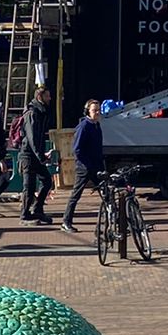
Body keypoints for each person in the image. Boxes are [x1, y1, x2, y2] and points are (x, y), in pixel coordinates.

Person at [59, 98, 106, 234]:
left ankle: (112, 221)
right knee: (76, 194)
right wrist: (87, 165)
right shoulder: (84, 126)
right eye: (94, 110)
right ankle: (66, 222)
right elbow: (77, 149)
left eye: (98, 110)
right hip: (85, 168)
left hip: (97, 166)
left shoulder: (97, 126)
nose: (97, 113)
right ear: (87, 111)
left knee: (106, 193)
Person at [18, 86, 55, 225]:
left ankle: (38, 209)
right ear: (40, 97)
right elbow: (32, 137)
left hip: (35, 154)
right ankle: (25, 215)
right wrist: (40, 155)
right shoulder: (32, 113)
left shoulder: (40, 112)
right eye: (47, 96)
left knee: (47, 180)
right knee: (29, 186)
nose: (50, 98)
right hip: (28, 155)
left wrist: (41, 154)